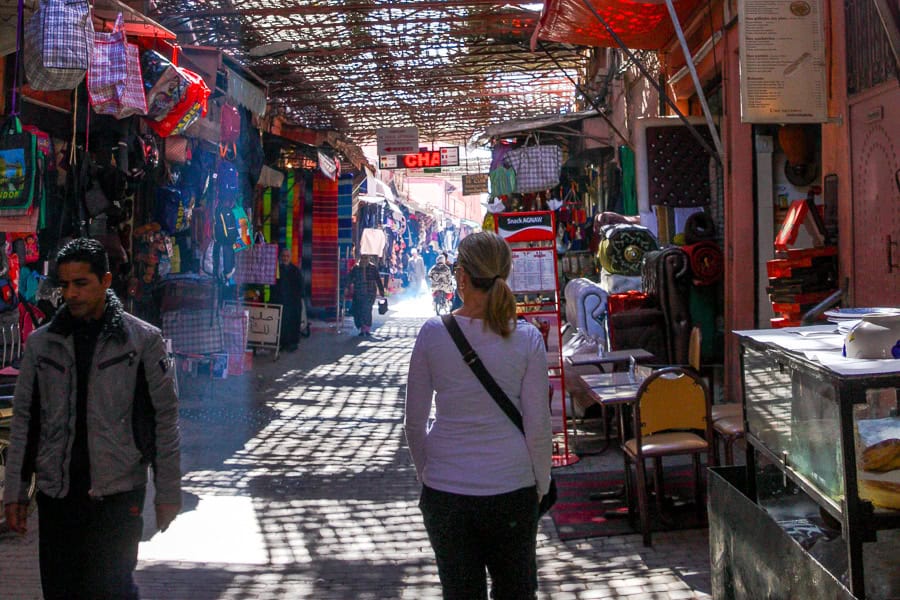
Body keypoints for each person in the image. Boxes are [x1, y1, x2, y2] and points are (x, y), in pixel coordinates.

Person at [3, 238, 181, 600]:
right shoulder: (41, 345)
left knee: (111, 589)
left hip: (117, 493)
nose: (71, 293)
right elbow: (25, 421)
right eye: (64, 284)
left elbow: (165, 419)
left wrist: (168, 492)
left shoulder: (142, 341)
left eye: (81, 283)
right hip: (58, 494)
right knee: (61, 590)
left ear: (106, 281)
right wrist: (15, 494)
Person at [405, 231, 552, 599]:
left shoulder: (432, 334)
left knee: (460, 592)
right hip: (512, 489)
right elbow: (538, 426)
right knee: (516, 591)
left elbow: (413, 422)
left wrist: (429, 473)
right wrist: (542, 483)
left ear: (462, 277)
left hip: (447, 493)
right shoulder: (527, 339)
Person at [271, 247, 305, 352]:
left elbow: (300, 286)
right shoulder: (277, 270)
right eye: (283, 256)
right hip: (282, 301)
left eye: (287, 256)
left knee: (293, 322)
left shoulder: (295, 270)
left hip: (293, 302)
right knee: (282, 323)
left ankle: (293, 343)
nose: (285, 258)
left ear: (290, 257)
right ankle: (282, 343)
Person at [348, 254, 385, 336]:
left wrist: (381, 291)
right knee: (359, 310)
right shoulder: (356, 268)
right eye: (362, 258)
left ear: (368, 258)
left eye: (366, 258)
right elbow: (350, 278)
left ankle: (367, 328)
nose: (364, 260)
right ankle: (362, 329)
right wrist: (347, 288)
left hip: (370, 293)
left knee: (367, 310)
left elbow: (378, 279)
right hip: (358, 292)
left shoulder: (373, 268)